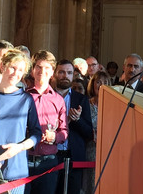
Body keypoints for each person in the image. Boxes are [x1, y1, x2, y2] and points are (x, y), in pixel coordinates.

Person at [0, 49, 41, 194]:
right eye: (12, 67)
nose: (15, 73)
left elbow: (37, 133)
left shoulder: (26, 99)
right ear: (3, 66)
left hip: (16, 169)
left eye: (20, 70)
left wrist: (20, 147)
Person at [26, 50, 68, 194]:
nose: (42, 71)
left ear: (52, 72)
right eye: (38, 66)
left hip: (48, 162)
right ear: (32, 70)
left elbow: (64, 130)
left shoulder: (58, 100)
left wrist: (56, 137)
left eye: (47, 68)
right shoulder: (23, 96)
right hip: (25, 160)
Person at [54, 60, 93, 194]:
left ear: (73, 75)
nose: (65, 76)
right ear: (54, 74)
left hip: (74, 157)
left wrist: (77, 120)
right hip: (52, 156)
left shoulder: (81, 99)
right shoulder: (48, 96)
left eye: (69, 73)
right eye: (62, 72)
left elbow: (89, 132)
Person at [82, 71, 110, 194]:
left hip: (108, 149)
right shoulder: (86, 104)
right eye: (98, 82)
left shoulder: (113, 105)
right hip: (91, 149)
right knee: (90, 183)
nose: (101, 85)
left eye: (105, 82)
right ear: (93, 84)